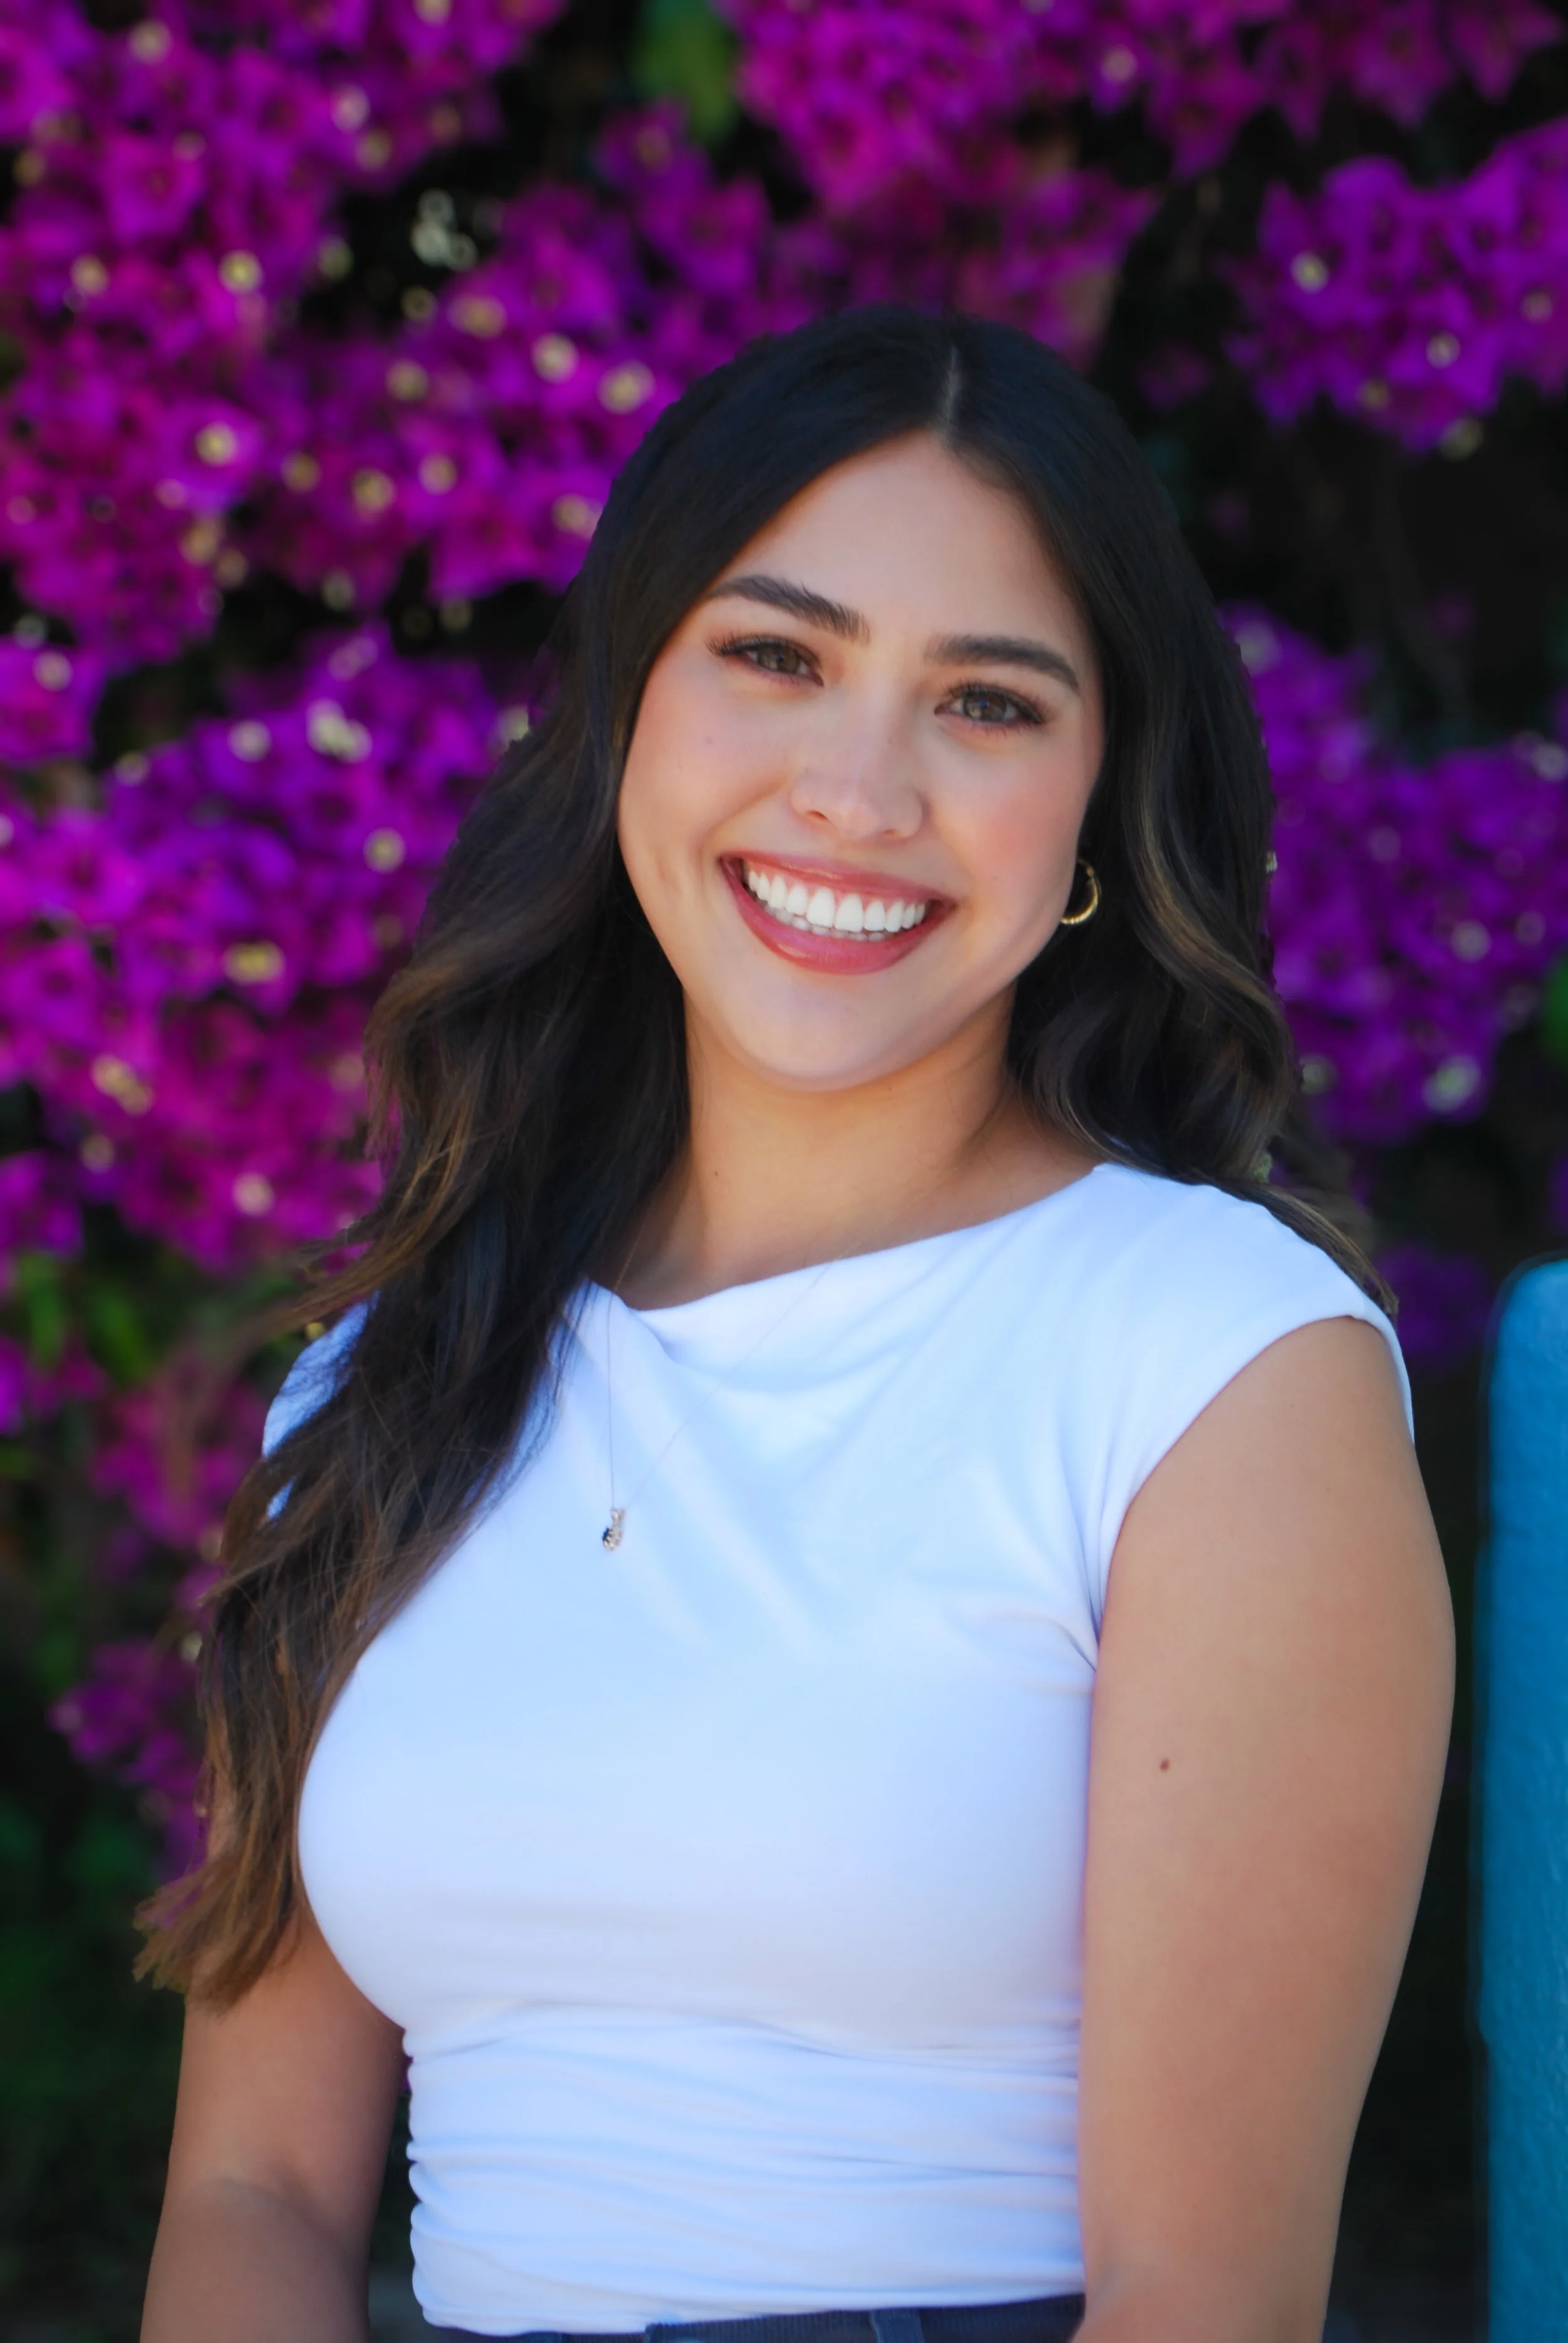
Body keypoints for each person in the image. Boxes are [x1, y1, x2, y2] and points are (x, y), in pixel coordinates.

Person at [138, 307, 1453, 2343]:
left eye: (988, 705)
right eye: (776, 654)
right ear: (628, 713)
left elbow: (1206, 2292)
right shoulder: (392, 1374)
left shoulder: (1216, 1369)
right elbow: (253, 2185)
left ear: (1100, 809)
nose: (857, 789)